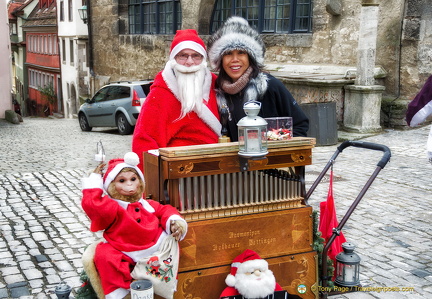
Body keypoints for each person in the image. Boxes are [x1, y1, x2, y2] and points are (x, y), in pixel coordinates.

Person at [81, 152, 187, 299]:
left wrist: (174, 222)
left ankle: (163, 285)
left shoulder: (148, 205)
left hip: (154, 246)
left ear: (140, 181)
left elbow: (165, 210)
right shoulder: (113, 208)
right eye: (122, 181)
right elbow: (94, 208)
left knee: (172, 246)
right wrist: (94, 184)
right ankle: (121, 294)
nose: (129, 184)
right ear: (111, 185)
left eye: (133, 179)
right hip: (125, 250)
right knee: (104, 255)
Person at [207, 16, 309, 141]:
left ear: (250, 57)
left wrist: (275, 142)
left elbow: (300, 125)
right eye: (228, 53)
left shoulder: (270, 86)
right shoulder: (218, 91)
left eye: (241, 53)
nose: (235, 60)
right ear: (220, 60)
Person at [132, 29, 222, 171]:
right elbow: (145, 140)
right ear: (174, 59)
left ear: (203, 59)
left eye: (196, 56)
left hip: (219, 168)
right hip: (179, 172)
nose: (190, 62)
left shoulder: (216, 84)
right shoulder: (161, 93)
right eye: (183, 56)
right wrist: (151, 182)